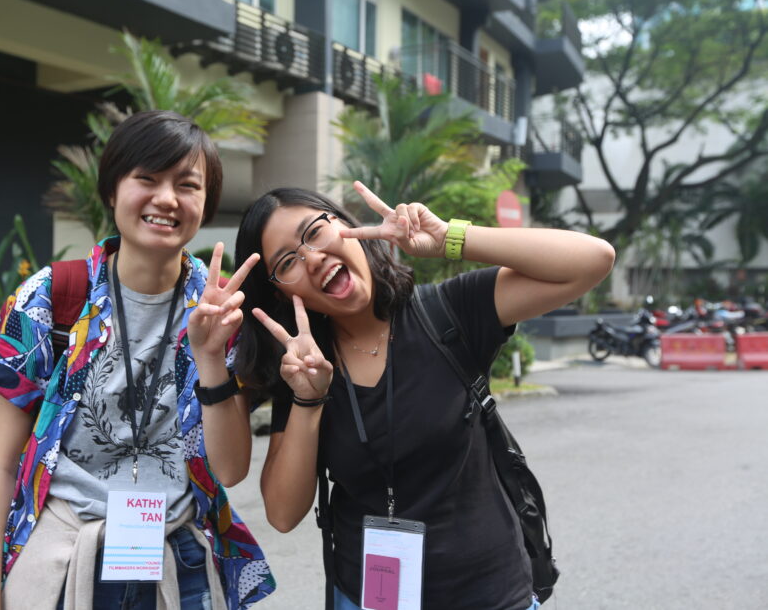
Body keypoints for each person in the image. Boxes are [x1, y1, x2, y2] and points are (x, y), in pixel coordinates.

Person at [234, 183, 615, 610]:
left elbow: (593, 259)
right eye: (288, 261)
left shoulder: (447, 312)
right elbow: (282, 514)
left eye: (315, 231)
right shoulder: (304, 366)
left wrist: (450, 238)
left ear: (344, 225)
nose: (312, 257)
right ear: (282, 292)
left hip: (492, 595)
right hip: (367, 599)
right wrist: (308, 400)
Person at [0, 110, 275, 610]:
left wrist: (211, 357)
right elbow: (0, 465)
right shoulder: (50, 298)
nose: (166, 199)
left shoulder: (223, 311)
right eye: (147, 178)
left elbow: (230, 471)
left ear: (206, 202)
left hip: (180, 561)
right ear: (111, 190)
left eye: (187, 185)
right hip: (61, 561)